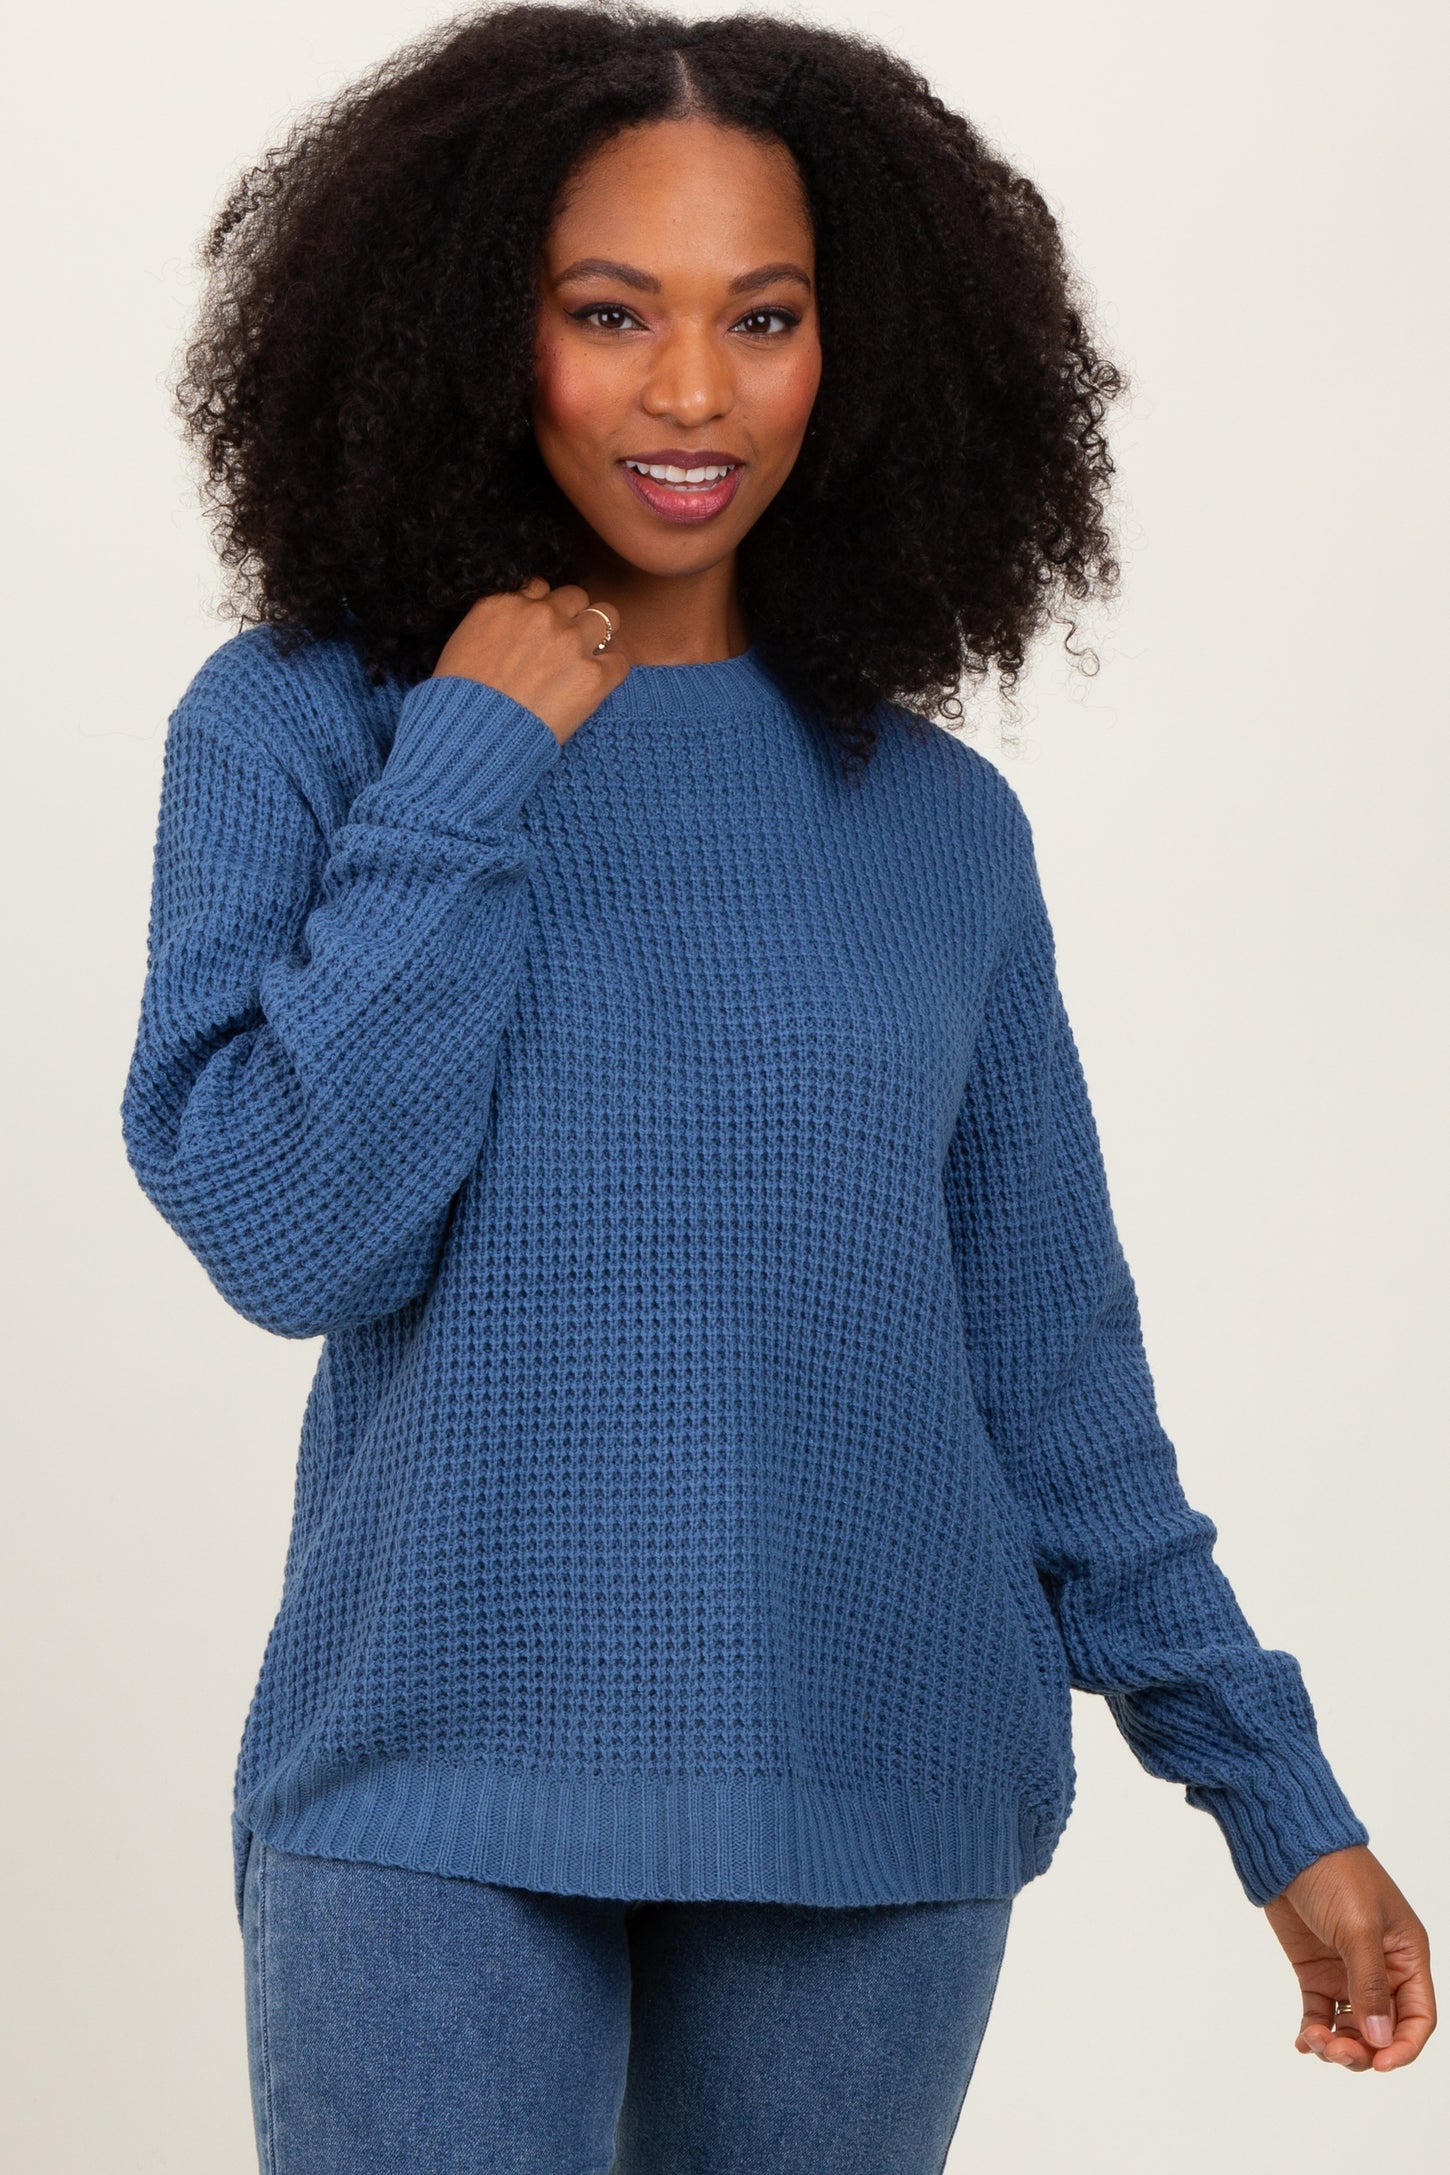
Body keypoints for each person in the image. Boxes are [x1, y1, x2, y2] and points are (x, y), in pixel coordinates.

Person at [119, 4, 1435, 2167]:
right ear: (472, 331)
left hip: (875, 1778)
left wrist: (1270, 1793)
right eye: (607, 311)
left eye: (762, 315)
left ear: (858, 347)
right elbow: (290, 1233)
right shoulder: (302, 728)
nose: (692, 392)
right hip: (429, 1773)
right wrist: (465, 764)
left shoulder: (935, 824)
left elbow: (1049, 1372)